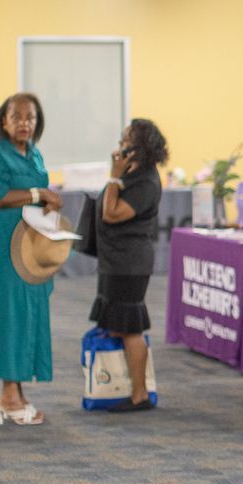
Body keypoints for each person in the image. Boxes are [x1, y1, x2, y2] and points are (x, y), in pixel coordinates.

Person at [0, 93, 58, 426]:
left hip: (31, 239)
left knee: (28, 311)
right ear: (4, 120)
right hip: (3, 240)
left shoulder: (33, 152)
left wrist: (48, 202)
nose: (24, 123)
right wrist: (39, 194)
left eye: (31, 118)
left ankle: (17, 390)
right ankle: (8, 394)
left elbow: (38, 190)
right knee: (7, 312)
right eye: (17, 117)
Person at [91, 119, 169, 413]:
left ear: (140, 148)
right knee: (117, 325)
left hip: (130, 264)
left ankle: (139, 395)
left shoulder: (146, 182)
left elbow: (111, 213)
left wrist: (114, 177)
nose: (120, 145)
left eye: (126, 141)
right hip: (115, 260)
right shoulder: (132, 174)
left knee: (130, 328)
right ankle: (124, 388)